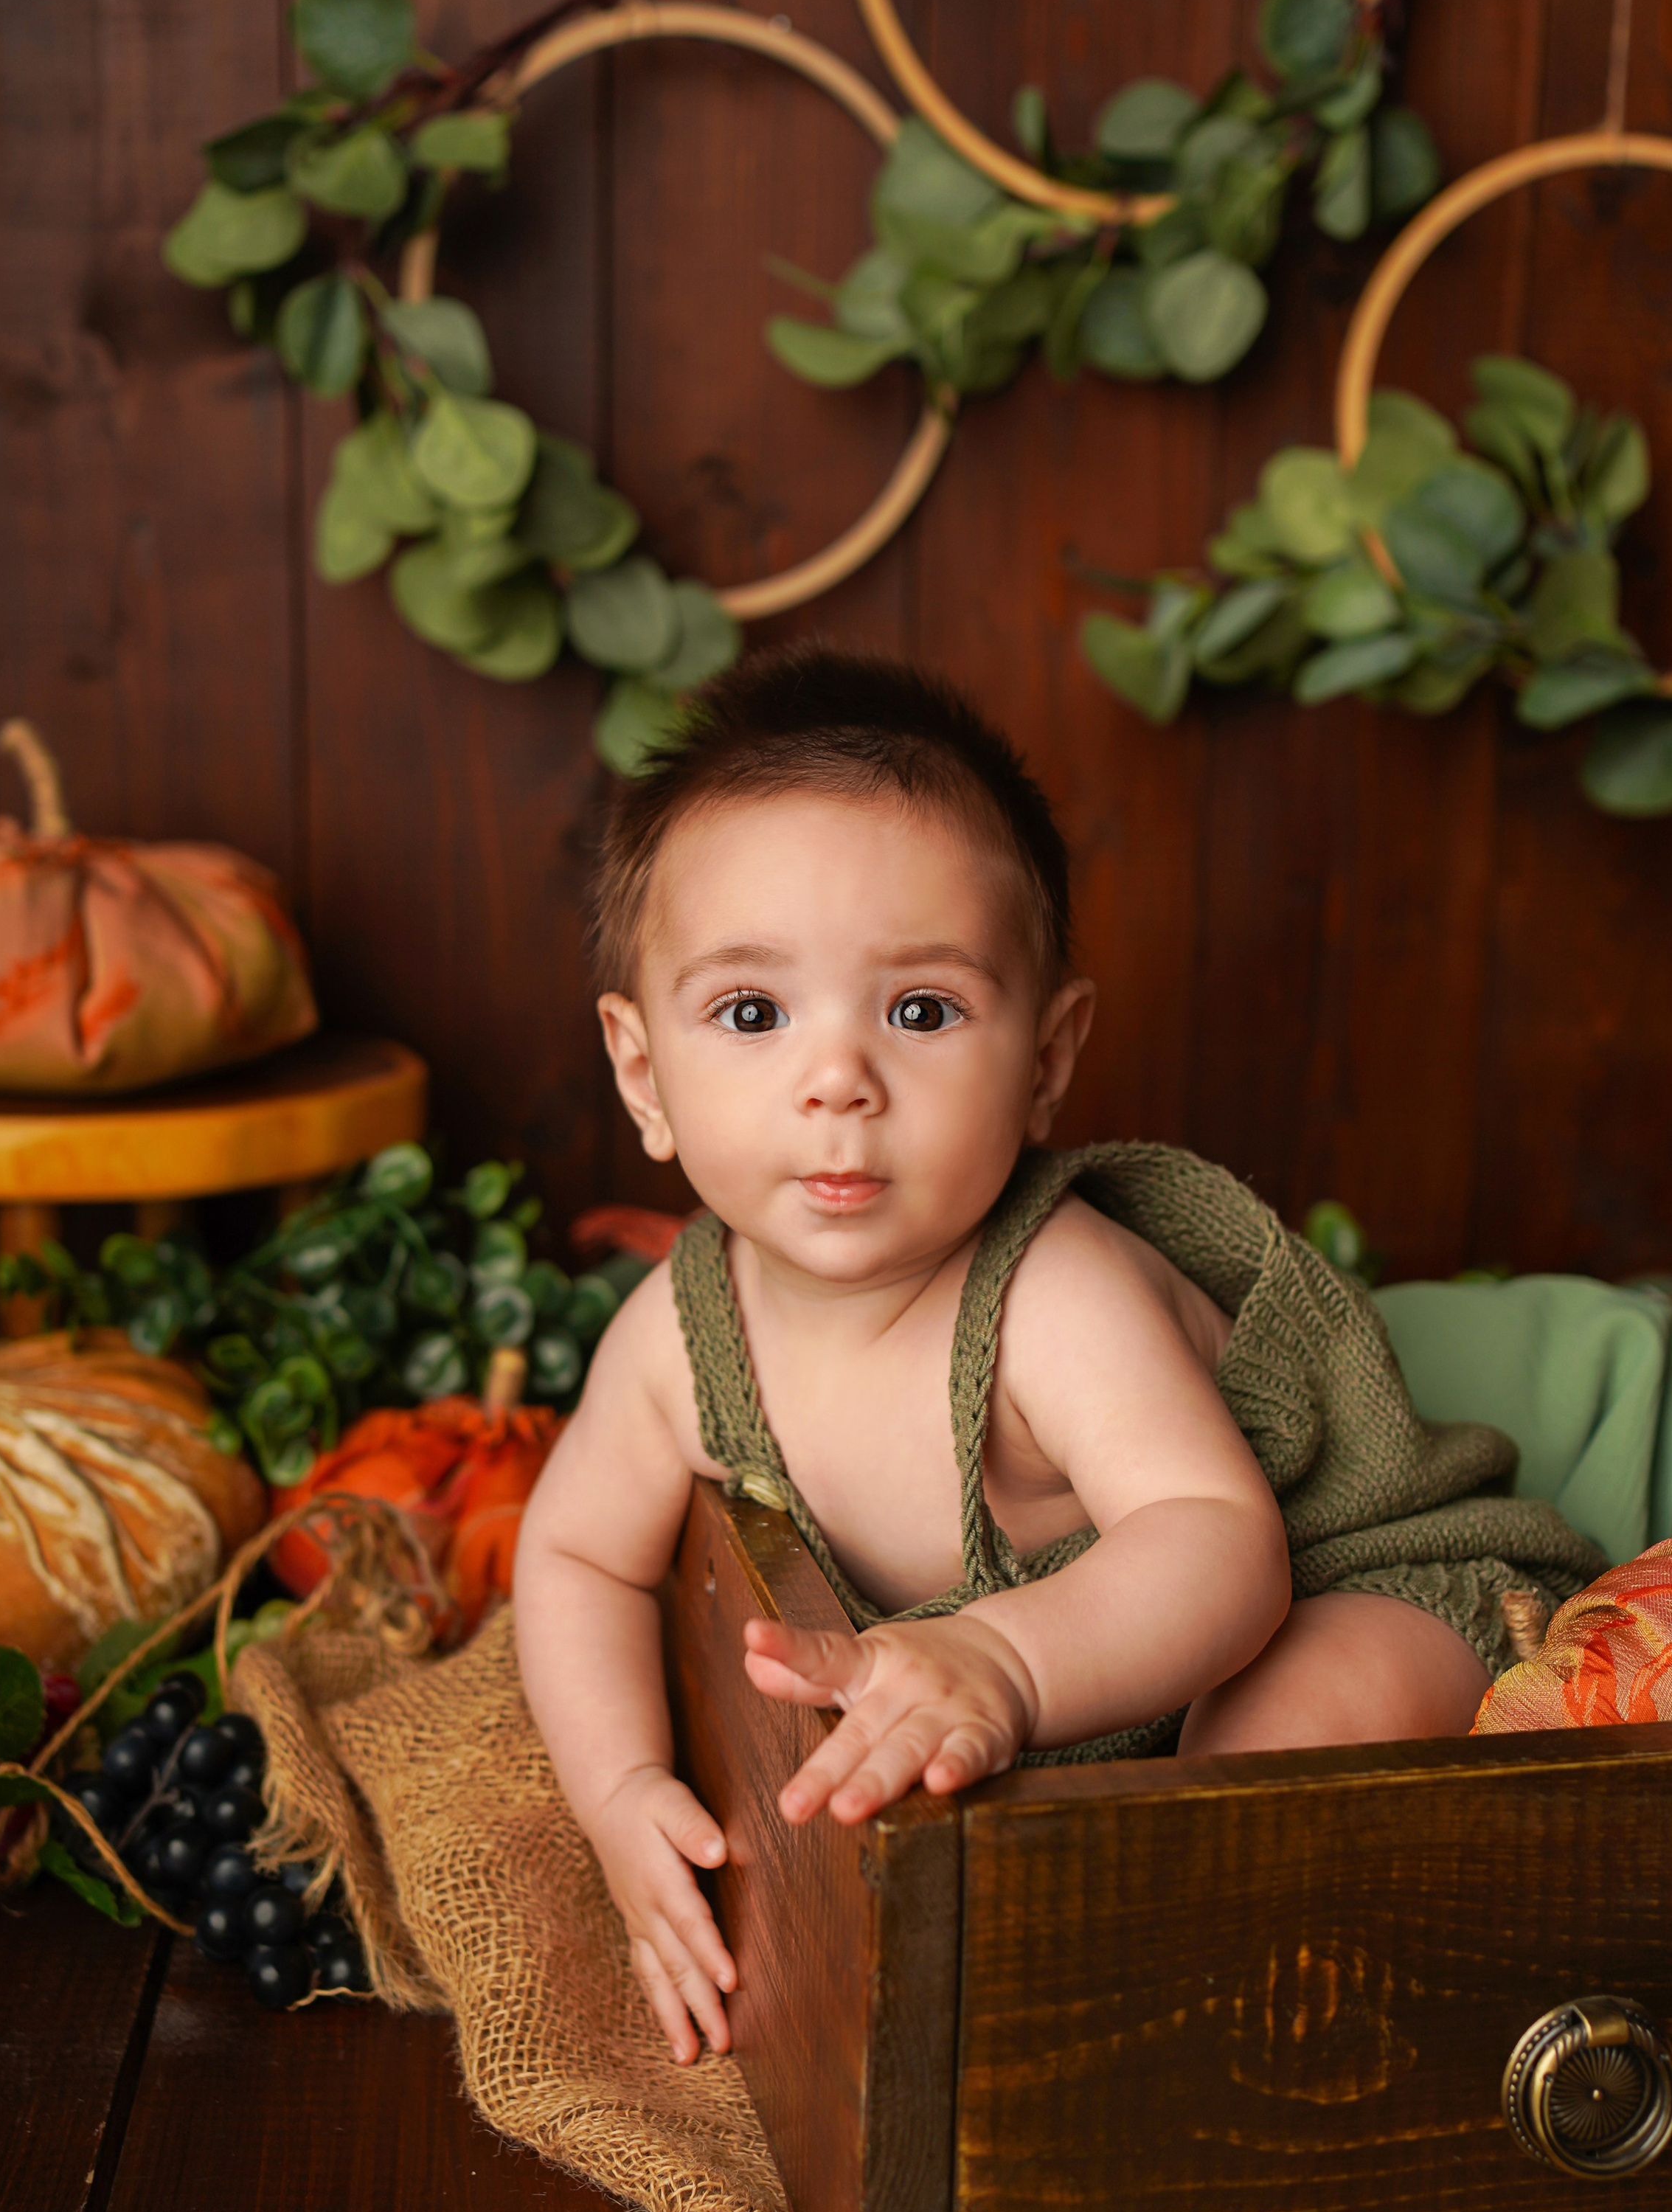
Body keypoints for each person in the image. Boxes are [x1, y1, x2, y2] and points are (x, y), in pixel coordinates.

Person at [514, 648, 1600, 2064]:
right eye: (752, 1012)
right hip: (1080, 1699)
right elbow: (578, 1556)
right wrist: (618, 1791)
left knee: (1256, 1760)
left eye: (921, 1010)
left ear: (1046, 1059)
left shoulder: (1052, 1295)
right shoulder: (675, 1334)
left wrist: (1006, 1665)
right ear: (644, 1071)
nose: (837, 1077)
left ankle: (1193, 2054)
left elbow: (1221, 1544)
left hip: (1351, 1582)